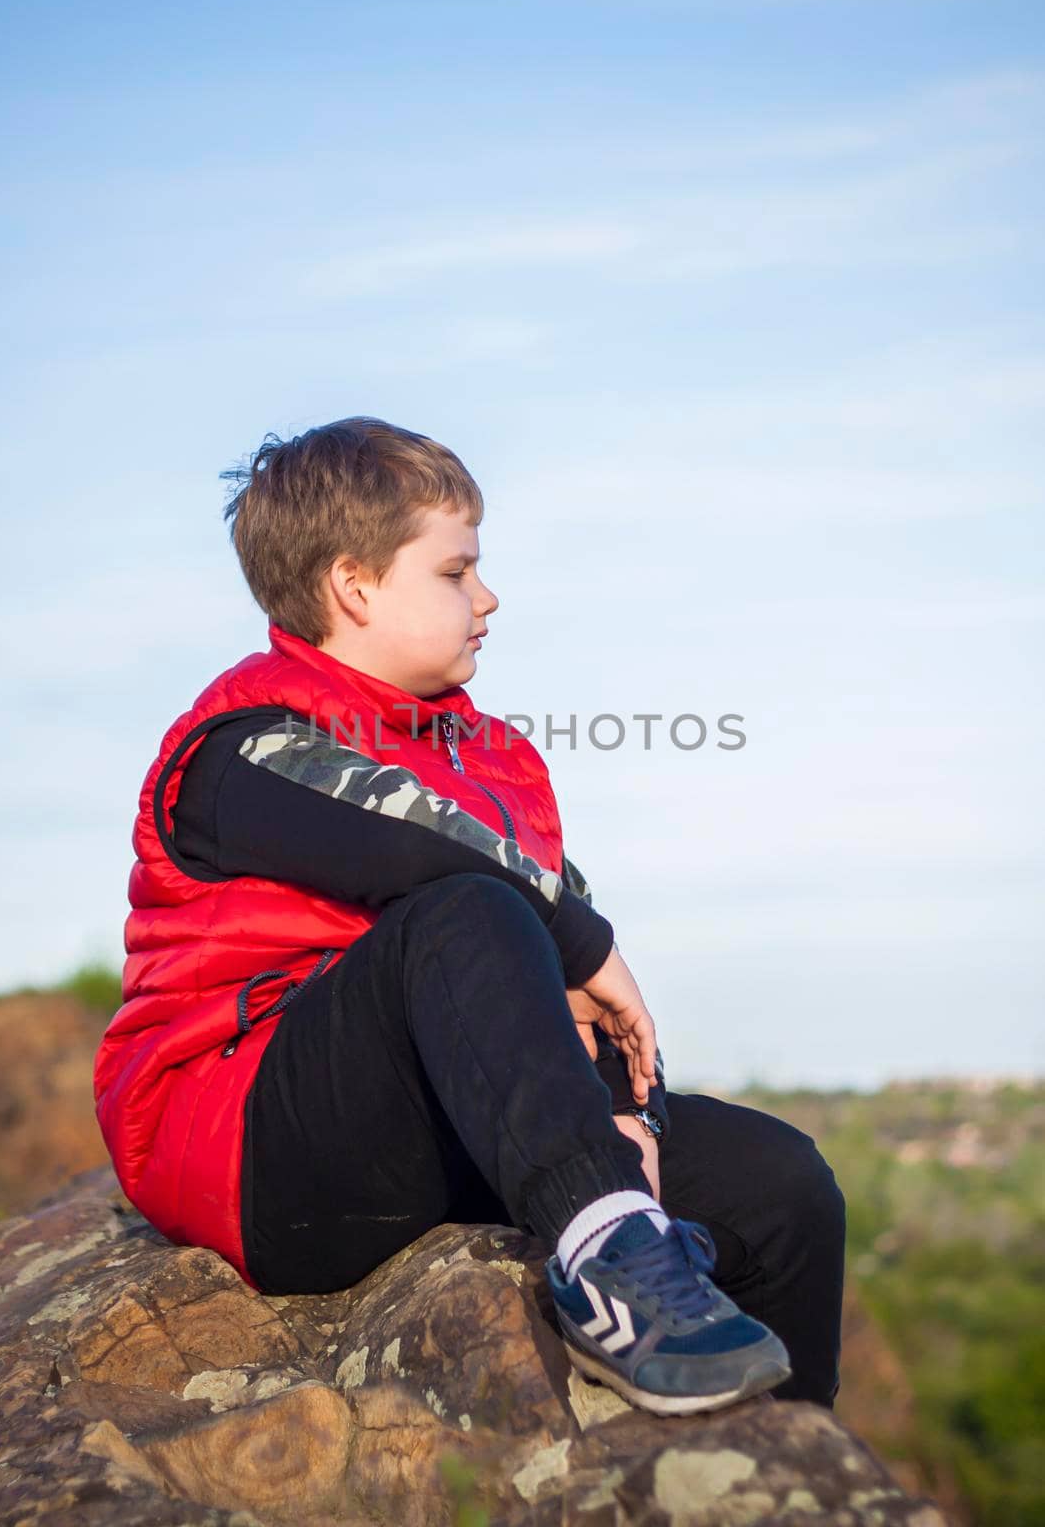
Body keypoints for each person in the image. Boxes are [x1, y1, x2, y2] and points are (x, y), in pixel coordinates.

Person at [93, 416, 845, 1416]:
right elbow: (435, 861)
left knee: (779, 1180)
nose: (487, 598)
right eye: (455, 572)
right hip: (258, 1150)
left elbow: (563, 995)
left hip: (446, 1122)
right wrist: (586, 939)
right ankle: (609, 1273)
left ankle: (778, 1469)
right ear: (354, 585)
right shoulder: (239, 748)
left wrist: (628, 1116)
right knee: (468, 911)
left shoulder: (494, 760)